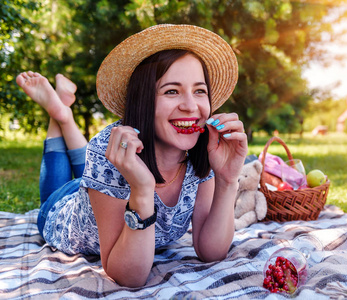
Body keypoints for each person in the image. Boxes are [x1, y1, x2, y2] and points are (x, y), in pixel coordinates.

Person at [16, 24, 248, 288]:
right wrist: (141, 189)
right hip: (62, 210)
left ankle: (62, 112)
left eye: (199, 90)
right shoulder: (109, 146)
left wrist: (228, 180)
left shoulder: (203, 147)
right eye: (171, 91)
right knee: (55, 191)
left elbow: (211, 251)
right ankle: (59, 115)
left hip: (101, 188)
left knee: (93, 170)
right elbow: (129, 277)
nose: (191, 106)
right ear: (143, 100)